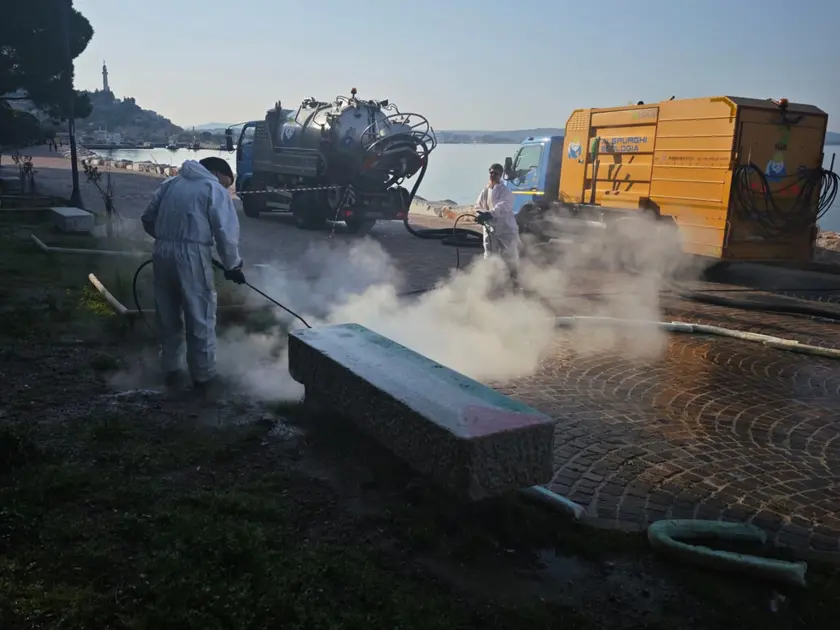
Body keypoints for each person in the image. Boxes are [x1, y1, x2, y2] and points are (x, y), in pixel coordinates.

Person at [141, 156, 245, 393]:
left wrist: (168, 237)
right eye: (226, 183)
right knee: (200, 315)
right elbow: (225, 233)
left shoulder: (170, 184)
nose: (226, 188)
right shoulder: (212, 188)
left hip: (162, 252)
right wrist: (233, 266)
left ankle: (170, 369)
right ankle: (204, 377)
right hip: (192, 255)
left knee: (167, 313)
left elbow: (147, 219)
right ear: (217, 173)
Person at [473, 162, 521, 284]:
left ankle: (514, 281)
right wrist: (480, 215)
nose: (493, 175)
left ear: (501, 175)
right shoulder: (485, 191)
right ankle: (491, 282)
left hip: (506, 229)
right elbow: (477, 205)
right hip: (490, 229)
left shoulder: (505, 192)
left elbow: (504, 206)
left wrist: (490, 214)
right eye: (491, 172)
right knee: (489, 254)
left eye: (496, 173)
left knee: (510, 255)